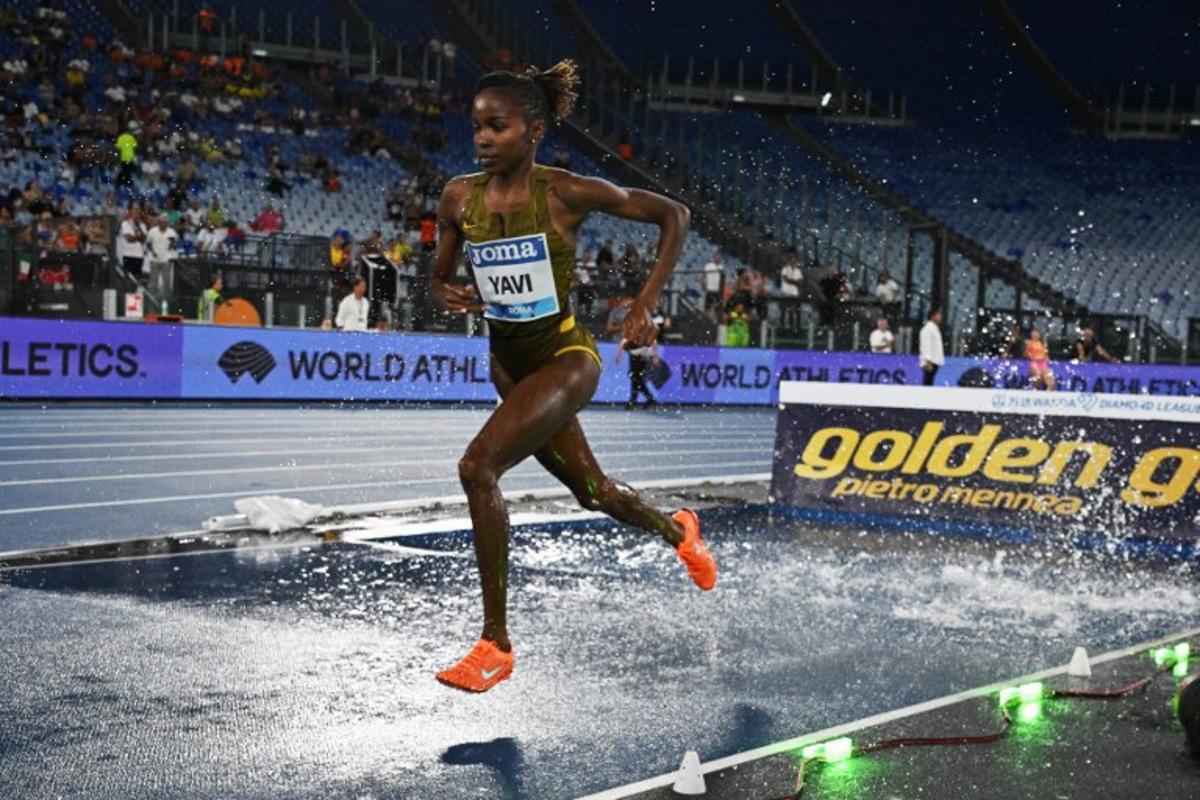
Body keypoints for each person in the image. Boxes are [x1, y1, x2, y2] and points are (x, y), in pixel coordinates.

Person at [430, 60, 715, 693]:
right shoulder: (458, 197)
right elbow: (439, 273)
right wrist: (442, 287)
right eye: (477, 126)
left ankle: (494, 644)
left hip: (566, 360)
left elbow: (675, 215)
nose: (481, 138)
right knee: (594, 491)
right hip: (509, 367)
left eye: (497, 127)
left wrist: (644, 304)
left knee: (478, 468)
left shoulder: (563, 192)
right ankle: (680, 532)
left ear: (533, 132)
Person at [143, 215, 178, 306]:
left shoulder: (172, 232)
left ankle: (166, 303)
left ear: (167, 223)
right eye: (161, 222)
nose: (163, 224)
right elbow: (148, 243)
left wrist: (172, 244)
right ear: (158, 222)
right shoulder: (152, 231)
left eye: (165, 222)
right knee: (153, 282)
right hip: (154, 259)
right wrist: (153, 251)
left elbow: (174, 245)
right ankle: (151, 302)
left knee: (166, 282)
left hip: (166, 259)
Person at [919, 307, 944, 386]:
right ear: (933, 316)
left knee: (929, 382)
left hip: (935, 360)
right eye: (938, 315)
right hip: (930, 362)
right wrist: (927, 361)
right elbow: (926, 345)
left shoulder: (934, 329)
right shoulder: (927, 329)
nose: (940, 317)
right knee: (927, 382)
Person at [702, 251, 724, 316]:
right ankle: (706, 317)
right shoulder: (708, 266)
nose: (718, 259)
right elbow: (704, 277)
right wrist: (704, 286)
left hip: (718, 290)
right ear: (714, 258)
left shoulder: (721, 267)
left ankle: (716, 318)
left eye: (719, 258)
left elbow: (722, 279)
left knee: (718, 307)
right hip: (710, 289)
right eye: (717, 257)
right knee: (708, 306)